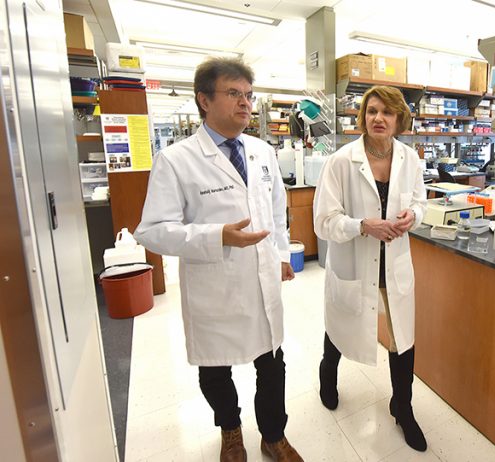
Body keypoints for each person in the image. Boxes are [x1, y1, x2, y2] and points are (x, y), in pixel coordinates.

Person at [134, 57, 302, 462]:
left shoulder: (262, 151)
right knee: (215, 369)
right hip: (214, 285)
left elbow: (277, 211)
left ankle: (273, 436)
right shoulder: (176, 159)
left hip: (262, 279)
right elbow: (152, 230)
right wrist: (216, 236)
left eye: (248, 95)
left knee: (272, 365)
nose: (245, 103)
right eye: (233, 94)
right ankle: (230, 432)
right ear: (204, 100)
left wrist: (280, 254)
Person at [313, 85, 428, 451]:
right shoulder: (341, 161)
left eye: (387, 112)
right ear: (362, 116)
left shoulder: (410, 160)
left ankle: (403, 407)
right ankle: (327, 371)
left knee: (402, 339)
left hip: (393, 266)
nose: (378, 118)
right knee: (342, 323)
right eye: (372, 111)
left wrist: (415, 215)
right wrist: (363, 225)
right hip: (355, 263)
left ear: (399, 120)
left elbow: (421, 203)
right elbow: (324, 222)